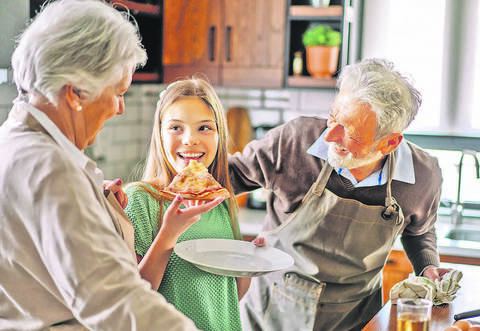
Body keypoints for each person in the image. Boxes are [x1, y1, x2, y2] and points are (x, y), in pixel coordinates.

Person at [0, 1, 203, 330]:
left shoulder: (14, 143)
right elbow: (117, 302)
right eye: (118, 92)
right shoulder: (53, 169)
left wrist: (91, 201)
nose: (120, 108)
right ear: (76, 93)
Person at [228, 58, 450, 331]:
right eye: (333, 117)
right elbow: (231, 175)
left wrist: (427, 267)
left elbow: (419, 231)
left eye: (350, 132)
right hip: (272, 309)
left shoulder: (422, 175)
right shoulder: (296, 140)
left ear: (390, 142)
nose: (330, 135)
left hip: (354, 316)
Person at [124, 77, 247, 331]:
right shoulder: (140, 200)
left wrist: (250, 260)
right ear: (160, 134)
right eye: (176, 128)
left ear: (218, 135)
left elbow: (228, 297)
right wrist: (169, 233)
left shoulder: (222, 201)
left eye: (204, 128)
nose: (190, 139)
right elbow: (133, 299)